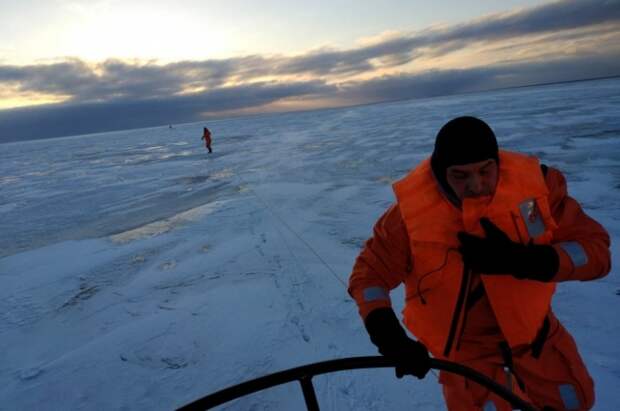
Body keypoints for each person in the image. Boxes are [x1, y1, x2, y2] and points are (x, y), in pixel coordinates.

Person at [348, 116, 611, 411]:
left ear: (497, 162)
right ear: (440, 174)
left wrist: (523, 260)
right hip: (467, 357)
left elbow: (595, 252)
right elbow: (369, 276)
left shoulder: (537, 193)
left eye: (485, 170)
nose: (476, 185)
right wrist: (388, 336)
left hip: (537, 337)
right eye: (460, 176)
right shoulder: (408, 219)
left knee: (575, 402)